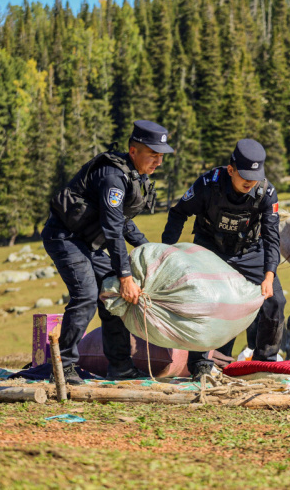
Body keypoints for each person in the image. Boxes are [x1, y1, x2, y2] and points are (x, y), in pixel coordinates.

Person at [42, 120, 173, 385]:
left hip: (90, 243)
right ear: (133, 151)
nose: (158, 162)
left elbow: (123, 222)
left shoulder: (136, 176)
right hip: (65, 237)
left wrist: (151, 251)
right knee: (87, 295)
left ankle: (120, 366)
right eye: (153, 155)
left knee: (113, 295)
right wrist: (125, 276)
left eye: (161, 156)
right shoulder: (113, 177)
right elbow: (113, 230)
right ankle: (63, 368)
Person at [161, 139, 286, 381]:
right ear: (231, 170)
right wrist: (166, 254)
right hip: (210, 249)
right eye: (244, 176)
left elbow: (272, 238)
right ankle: (199, 365)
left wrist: (269, 275)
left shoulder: (266, 193)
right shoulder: (208, 184)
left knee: (275, 301)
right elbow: (178, 214)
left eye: (255, 176)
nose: (250, 182)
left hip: (249, 251)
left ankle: (263, 364)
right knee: (201, 299)